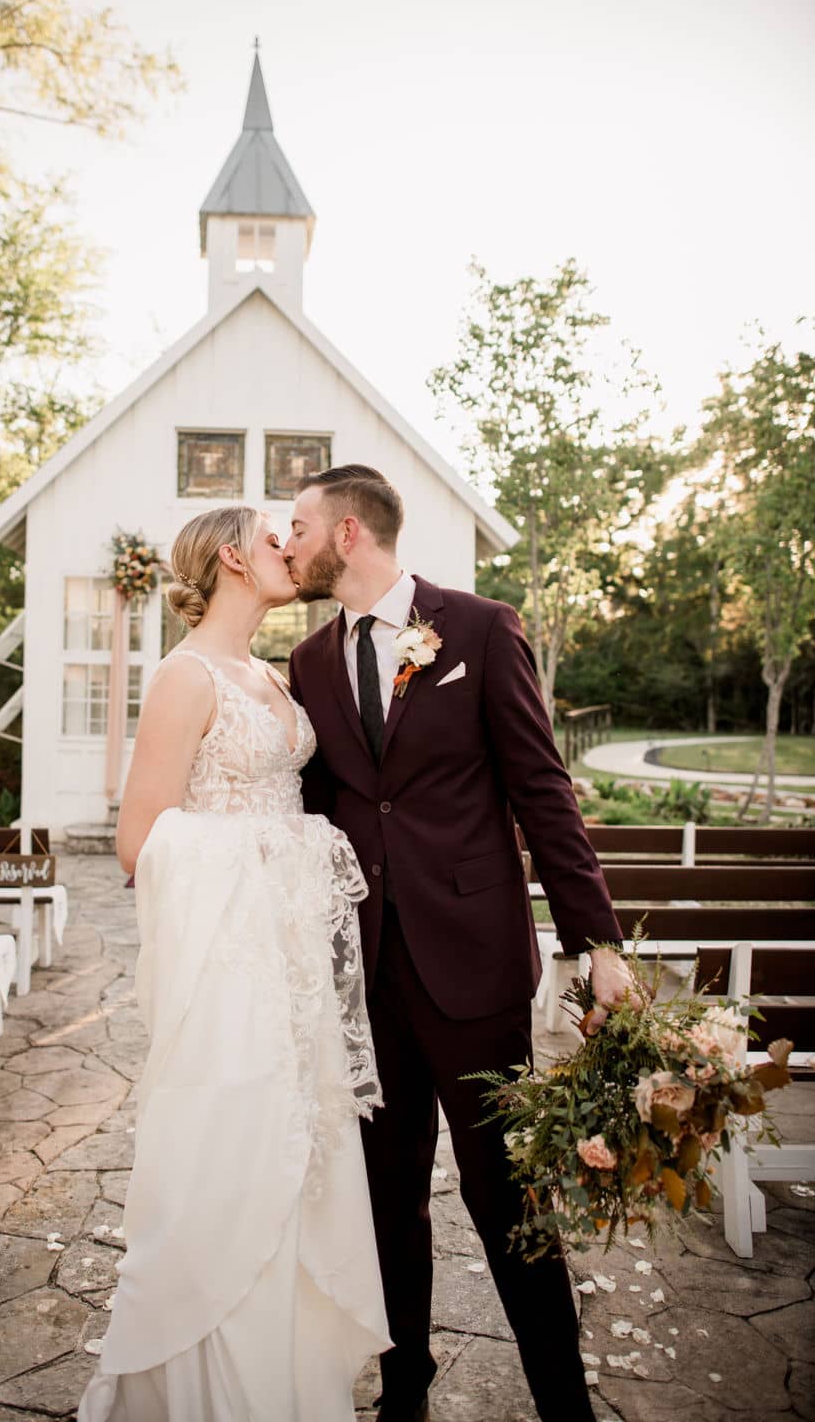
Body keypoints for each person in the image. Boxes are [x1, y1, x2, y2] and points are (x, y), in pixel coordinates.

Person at [285, 464, 632, 1422]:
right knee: (388, 1202)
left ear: (349, 532)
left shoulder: (479, 626)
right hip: (366, 977)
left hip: (472, 966)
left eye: (301, 524)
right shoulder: (310, 661)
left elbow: (542, 789)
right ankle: (406, 1393)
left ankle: (564, 1403)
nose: (289, 541)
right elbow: (320, 813)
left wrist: (596, 941)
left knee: (507, 1198)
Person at [78, 503, 391, 1422]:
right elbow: (140, 844)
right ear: (230, 558)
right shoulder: (186, 677)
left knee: (301, 1153)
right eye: (272, 537)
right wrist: (284, 851)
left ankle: (289, 1384)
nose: (290, 548)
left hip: (293, 960)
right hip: (231, 965)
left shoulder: (275, 676)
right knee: (234, 1153)